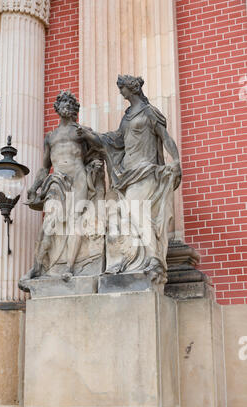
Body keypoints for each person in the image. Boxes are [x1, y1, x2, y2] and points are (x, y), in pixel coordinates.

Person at [77, 74, 182, 283]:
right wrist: (90, 135)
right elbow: (116, 139)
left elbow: (166, 138)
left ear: (131, 88)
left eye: (122, 88)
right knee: (125, 219)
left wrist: (176, 161)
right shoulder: (126, 117)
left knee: (137, 213)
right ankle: (131, 261)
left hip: (146, 170)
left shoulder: (150, 113)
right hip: (127, 172)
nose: (120, 92)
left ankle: (154, 259)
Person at [19, 90, 103, 290]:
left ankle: (71, 266)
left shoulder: (81, 131)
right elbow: (44, 167)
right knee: (50, 223)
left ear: (74, 109)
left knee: (75, 223)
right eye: (63, 103)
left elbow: (99, 150)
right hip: (56, 180)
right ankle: (37, 267)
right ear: (57, 108)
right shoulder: (51, 137)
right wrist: (34, 187)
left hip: (79, 178)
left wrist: (91, 141)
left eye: (70, 103)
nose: (66, 106)